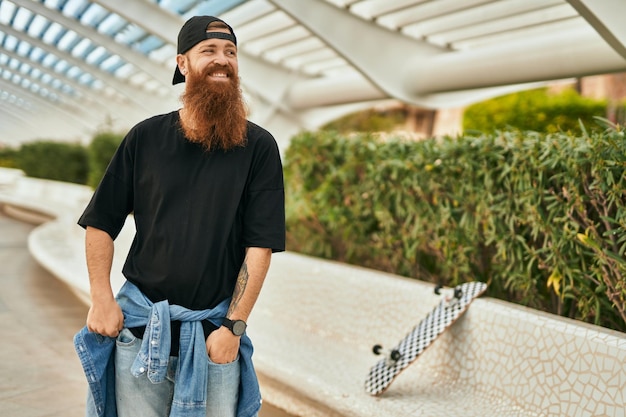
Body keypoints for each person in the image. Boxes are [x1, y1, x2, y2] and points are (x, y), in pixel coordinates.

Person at [73, 15, 285, 417]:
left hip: (213, 338)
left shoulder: (259, 147)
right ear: (182, 63)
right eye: (209, 51)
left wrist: (233, 328)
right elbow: (101, 222)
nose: (222, 60)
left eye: (231, 52)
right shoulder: (145, 138)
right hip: (139, 332)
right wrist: (100, 298)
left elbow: (260, 246)